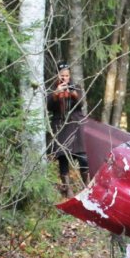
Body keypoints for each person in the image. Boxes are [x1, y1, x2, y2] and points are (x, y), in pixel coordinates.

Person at [47, 61, 88, 195]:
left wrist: (73, 94)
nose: (65, 78)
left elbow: (81, 103)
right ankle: (68, 189)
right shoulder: (52, 89)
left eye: (67, 75)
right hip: (60, 125)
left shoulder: (75, 87)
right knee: (63, 157)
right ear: (57, 75)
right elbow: (48, 106)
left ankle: (86, 187)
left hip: (76, 124)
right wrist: (55, 94)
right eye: (62, 75)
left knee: (83, 157)